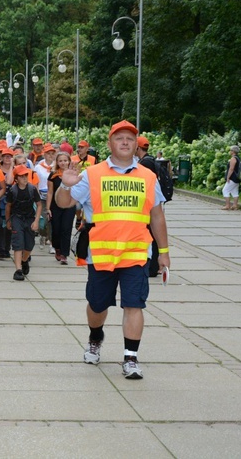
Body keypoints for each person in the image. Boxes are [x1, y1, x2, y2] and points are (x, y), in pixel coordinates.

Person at [55, 120, 169, 380]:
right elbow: (64, 204)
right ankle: (95, 337)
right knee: (97, 305)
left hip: (137, 253)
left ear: (136, 144)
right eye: (120, 138)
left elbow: (157, 216)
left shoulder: (148, 176)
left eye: (130, 138)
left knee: (134, 305)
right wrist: (66, 185)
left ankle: (130, 358)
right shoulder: (93, 174)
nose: (126, 142)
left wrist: (164, 251)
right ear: (110, 143)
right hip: (102, 254)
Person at [6, 165, 43, 281]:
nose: (25, 178)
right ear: (16, 179)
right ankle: (18, 270)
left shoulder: (32, 189)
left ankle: (24, 260)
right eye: (21, 176)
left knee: (29, 245)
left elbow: (39, 204)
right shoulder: (13, 191)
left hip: (29, 218)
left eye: (26, 176)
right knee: (18, 244)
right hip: (17, 218)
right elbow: (8, 206)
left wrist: (36, 220)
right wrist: (8, 220)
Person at [136, 136, 160, 277]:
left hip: (148, 204)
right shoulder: (150, 160)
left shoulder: (144, 164)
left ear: (137, 148)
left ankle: (153, 267)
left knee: (151, 234)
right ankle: (154, 266)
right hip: (152, 202)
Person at [46, 152, 77, 264]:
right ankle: (57, 247)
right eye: (60, 161)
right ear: (57, 162)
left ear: (69, 161)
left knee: (66, 229)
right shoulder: (53, 175)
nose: (63, 163)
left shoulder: (73, 174)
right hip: (56, 205)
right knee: (56, 229)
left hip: (69, 205)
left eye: (65, 160)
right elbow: (50, 192)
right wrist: (48, 208)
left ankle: (65, 254)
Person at [221, 145, 241, 210]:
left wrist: (228, 177)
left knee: (225, 190)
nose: (230, 151)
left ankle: (227, 205)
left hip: (232, 177)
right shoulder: (238, 158)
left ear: (233, 151)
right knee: (234, 191)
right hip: (237, 178)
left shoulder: (233, 158)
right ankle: (235, 205)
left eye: (230, 150)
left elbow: (231, 168)